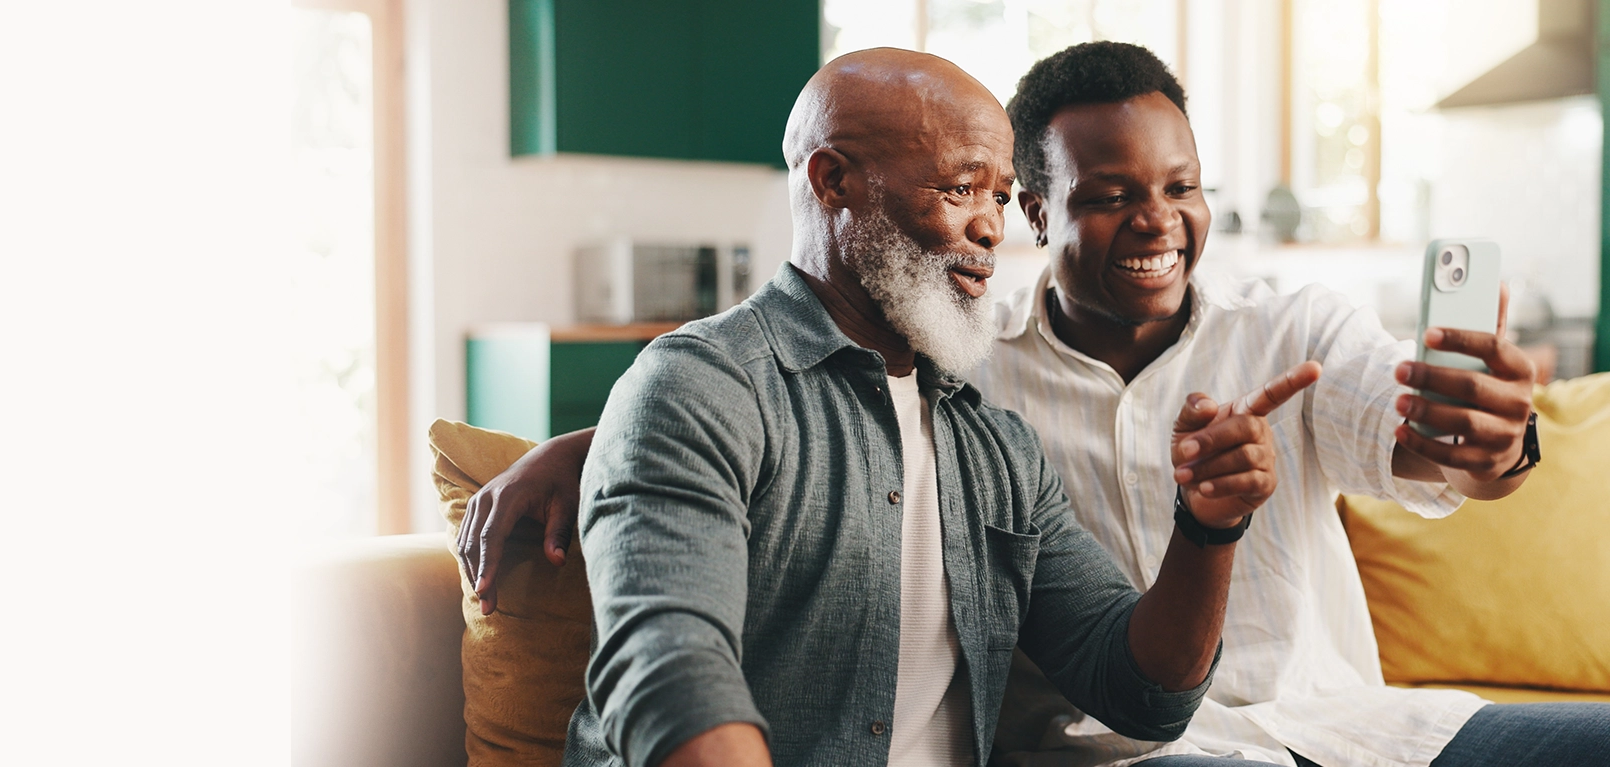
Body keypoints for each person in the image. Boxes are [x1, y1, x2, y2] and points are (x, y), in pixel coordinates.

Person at [462, 42, 1606, 767]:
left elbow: (1427, 454)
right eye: (1105, 197)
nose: (1156, 222)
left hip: (1341, 729)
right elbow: (673, 662)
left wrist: (1481, 441)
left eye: (1180, 189)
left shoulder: (983, 427)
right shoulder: (889, 374)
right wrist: (611, 429)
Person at [539, 47, 1318, 767]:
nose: (989, 225)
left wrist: (1209, 528)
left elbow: (1142, 691)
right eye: (960, 187)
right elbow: (672, 671)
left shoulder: (993, 444)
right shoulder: (702, 385)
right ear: (832, 181)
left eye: (1003, 196)